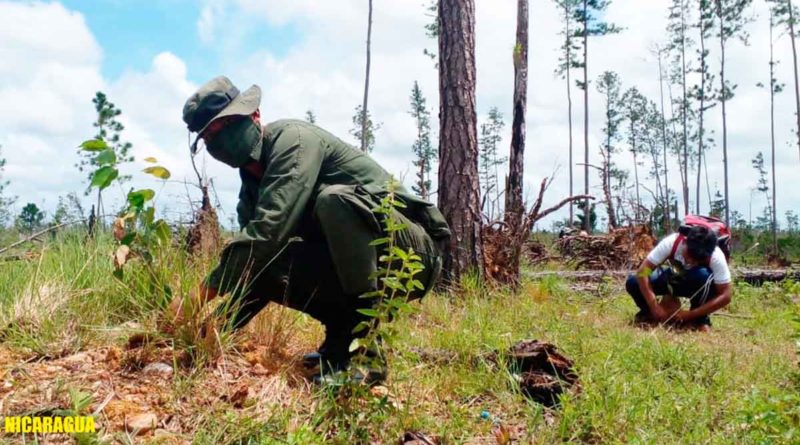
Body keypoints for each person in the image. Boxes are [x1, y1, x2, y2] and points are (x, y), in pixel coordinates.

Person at [167, 76, 450, 383]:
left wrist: (196, 297)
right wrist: (215, 329)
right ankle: (341, 344)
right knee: (273, 261)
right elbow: (254, 267)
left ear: (254, 116)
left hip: (413, 252)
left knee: (334, 202)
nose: (220, 139)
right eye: (210, 135)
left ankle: (366, 358)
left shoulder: (294, 142)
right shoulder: (251, 190)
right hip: (368, 259)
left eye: (227, 124)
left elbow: (268, 231)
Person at [625, 225, 733, 331]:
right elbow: (643, 272)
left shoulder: (716, 256)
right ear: (685, 242)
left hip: (695, 281)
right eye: (690, 255)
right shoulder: (671, 243)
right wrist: (654, 306)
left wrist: (690, 315)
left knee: (705, 277)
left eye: (698, 260)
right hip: (672, 275)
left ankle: (699, 320)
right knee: (633, 282)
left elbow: (726, 295)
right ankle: (649, 314)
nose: (691, 261)